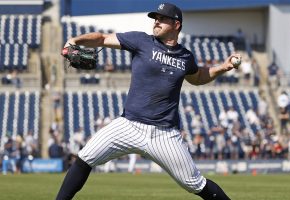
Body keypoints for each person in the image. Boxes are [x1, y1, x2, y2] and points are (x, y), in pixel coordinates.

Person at [56, 3, 241, 200]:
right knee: (85, 158)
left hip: (164, 134)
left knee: (195, 183)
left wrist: (223, 67)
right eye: (155, 18)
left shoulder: (185, 57)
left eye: (162, 18)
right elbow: (102, 38)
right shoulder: (141, 41)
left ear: (176, 24)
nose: (156, 21)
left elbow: (198, 77)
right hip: (129, 125)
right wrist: (74, 40)